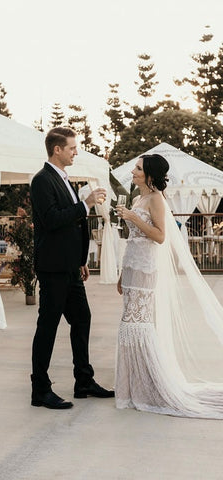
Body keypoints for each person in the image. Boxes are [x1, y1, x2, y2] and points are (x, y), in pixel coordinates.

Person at [115, 153, 223, 419]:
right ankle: (131, 386)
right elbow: (133, 239)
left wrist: (134, 218)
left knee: (136, 325)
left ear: (150, 174)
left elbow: (160, 236)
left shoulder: (156, 200)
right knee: (129, 324)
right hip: (131, 266)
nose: (133, 172)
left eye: (138, 169)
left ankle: (149, 385)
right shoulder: (137, 198)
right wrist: (121, 274)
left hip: (146, 268)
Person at [30, 126, 114, 410]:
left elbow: (73, 226)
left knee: (82, 319)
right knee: (48, 327)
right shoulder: (42, 181)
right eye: (72, 148)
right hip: (53, 268)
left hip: (70, 267)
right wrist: (85, 203)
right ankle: (40, 389)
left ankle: (83, 381)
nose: (76, 151)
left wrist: (80, 260)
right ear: (57, 149)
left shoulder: (65, 179)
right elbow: (53, 220)